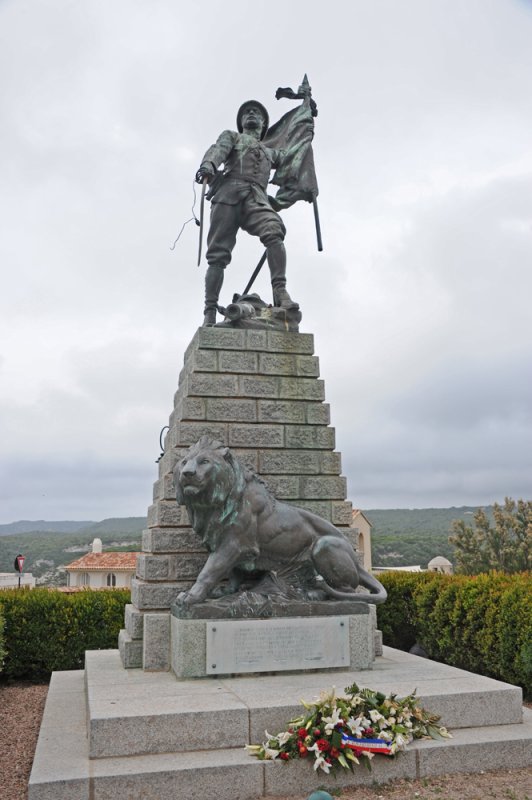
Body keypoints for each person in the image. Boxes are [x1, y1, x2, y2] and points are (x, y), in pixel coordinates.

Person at [196, 100, 299, 326]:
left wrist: (306, 126)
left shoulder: (271, 153)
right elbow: (218, 150)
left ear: (263, 124)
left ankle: (280, 292)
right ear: (242, 121)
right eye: (247, 112)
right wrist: (209, 165)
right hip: (229, 194)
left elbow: (294, 158)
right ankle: (210, 311)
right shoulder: (232, 136)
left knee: (274, 230)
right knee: (217, 255)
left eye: (257, 113)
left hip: (256, 198)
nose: (251, 114)